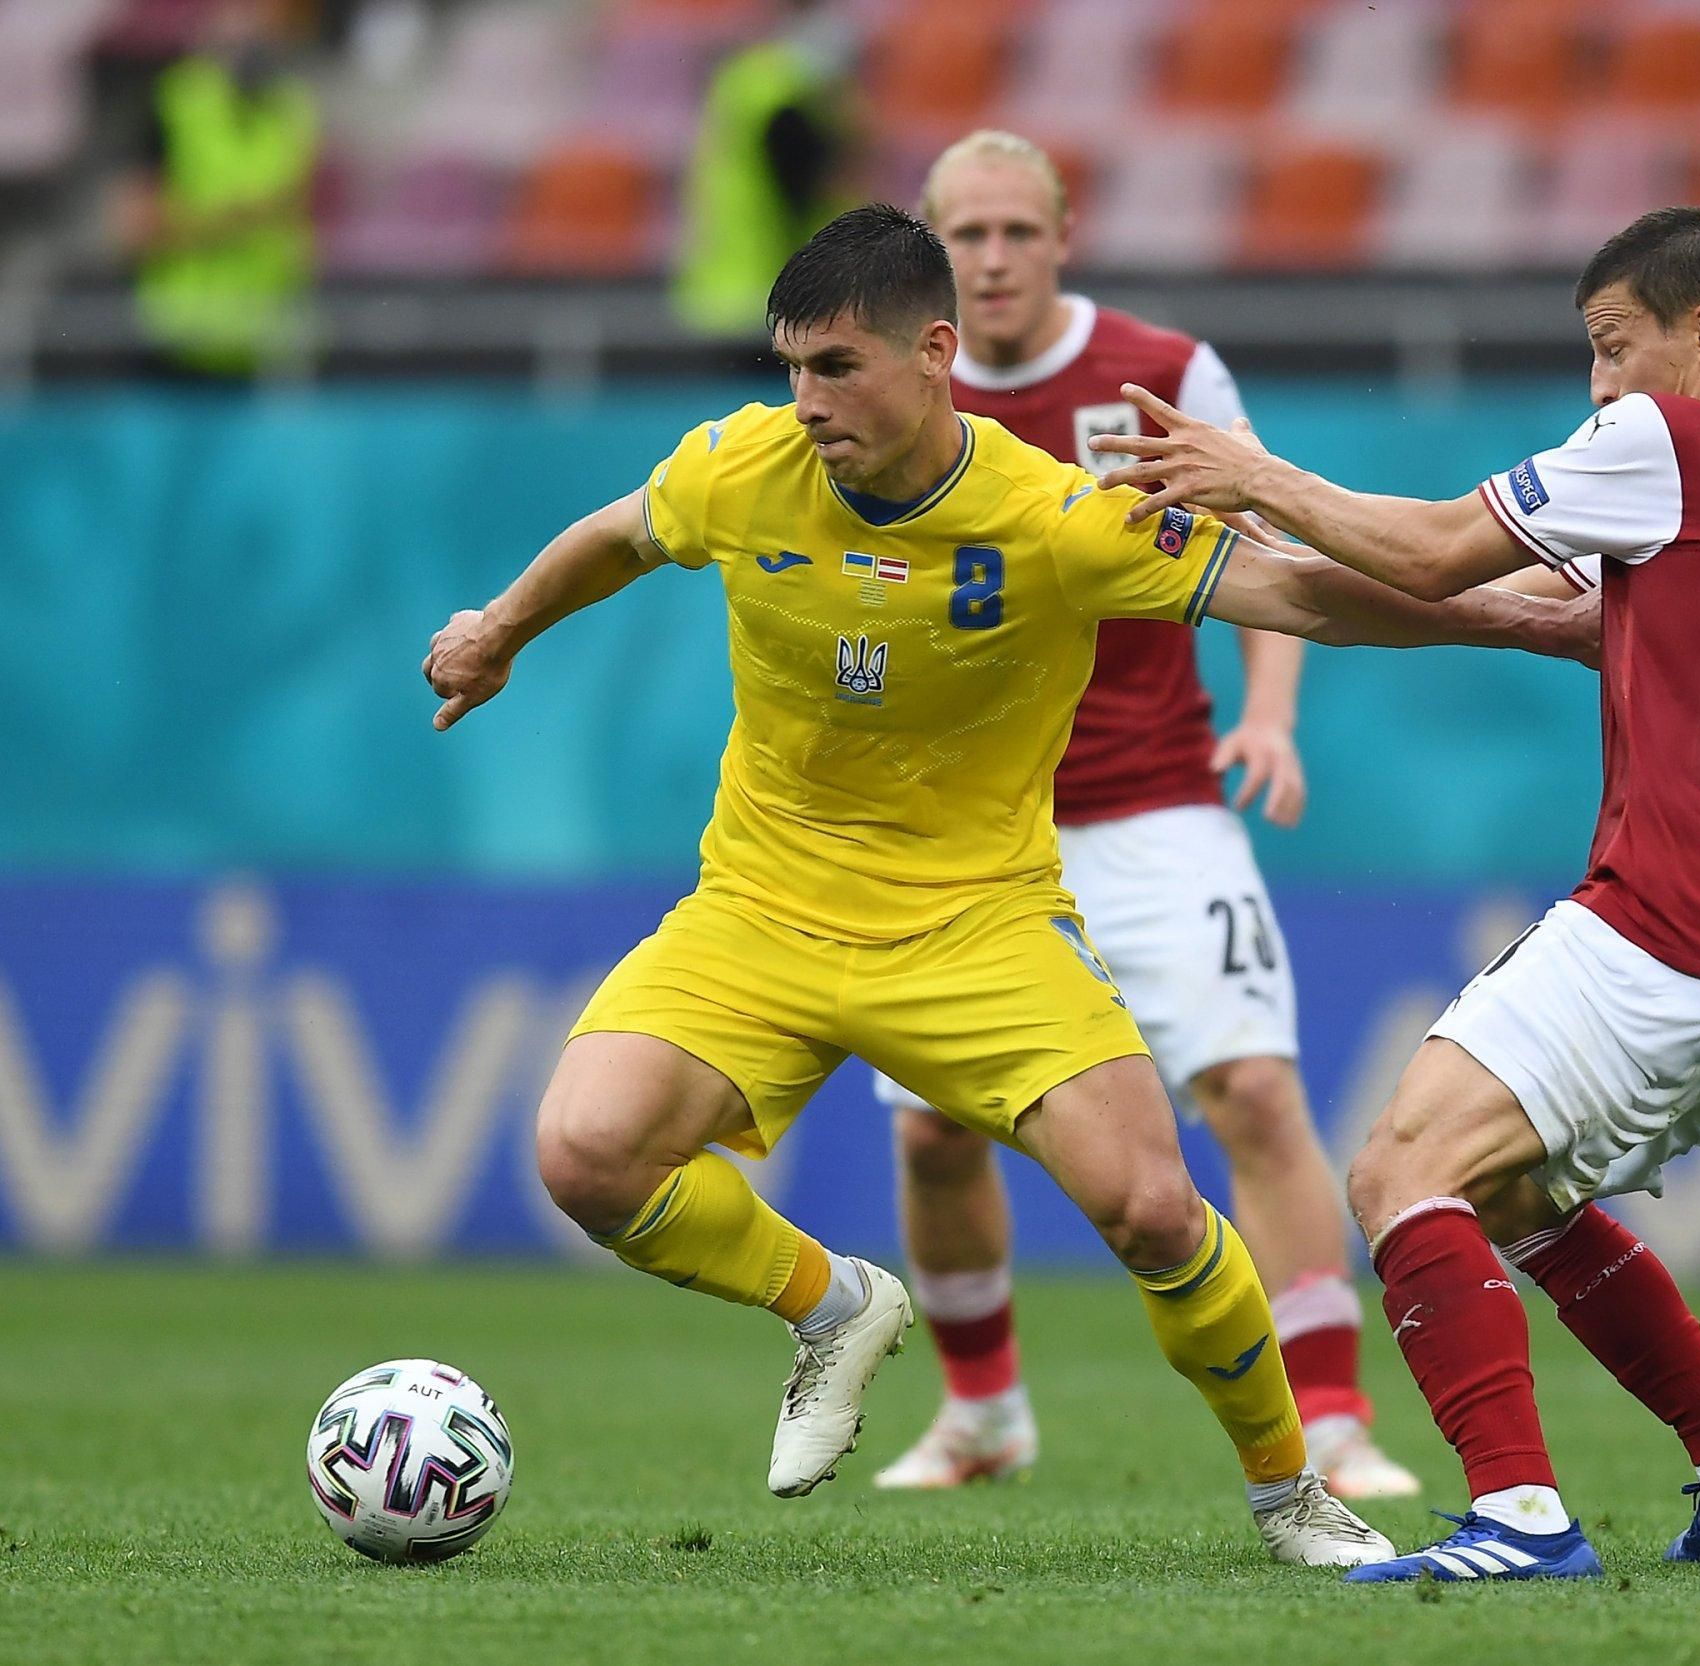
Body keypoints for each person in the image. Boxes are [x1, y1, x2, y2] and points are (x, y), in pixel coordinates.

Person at [421, 205, 1596, 1565]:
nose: (807, 402)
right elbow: (620, 535)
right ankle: (832, 1303)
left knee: (1155, 1208)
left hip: (976, 922)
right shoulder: (742, 465)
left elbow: (1305, 595)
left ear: (934, 353)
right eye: (793, 367)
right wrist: (500, 629)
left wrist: (1522, 619)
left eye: (838, 368)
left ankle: (1292, 1491)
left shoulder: (1051, 519)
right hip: (757, 908)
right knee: (587, 1153)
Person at [1097, 208, 1700, 1582]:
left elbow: (1446, 549)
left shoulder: (1674, 444)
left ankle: (1518, 1512)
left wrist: (1248, 471)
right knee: (1513, 1198)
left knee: (1400, 1168)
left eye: (1614, 349)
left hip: (1667, 923)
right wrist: (1226, 578)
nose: (1599, 388)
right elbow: (1504, 609)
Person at [867, 129, 1415, 1500]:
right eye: (965, 237)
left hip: (1153, 802)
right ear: (929, 253)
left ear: (1062, 237)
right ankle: (984, 1411)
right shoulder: (885, 388)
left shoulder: (1162, 373)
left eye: (1014, 232)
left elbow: (1264, 540)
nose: (991, 259)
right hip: (962, 833)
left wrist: (1270, 710)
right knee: (932, 1132)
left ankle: (1336, 1416)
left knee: (1252, 1089)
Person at [122, 0, 319, 377]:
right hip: (177, 340)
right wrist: (240, 219)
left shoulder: (295, 107)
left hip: (264, 342)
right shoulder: (172, 99)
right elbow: (134, 228)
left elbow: (298, 213)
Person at [674, 0, 861, 338]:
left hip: (720, 292)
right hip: (770, 295)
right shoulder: (790, 97)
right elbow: (805, 190)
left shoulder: (743, 81)